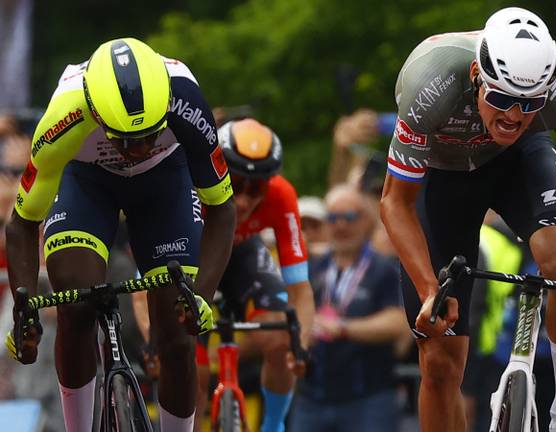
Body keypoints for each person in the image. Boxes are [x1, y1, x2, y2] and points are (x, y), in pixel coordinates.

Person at [378, 8, 556, 432]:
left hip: (518, 161)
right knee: (440, 360)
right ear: (478, 75)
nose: (514, 115)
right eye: (502, 99)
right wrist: (429, 290)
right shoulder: (431, 82)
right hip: (444, 176)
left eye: (530, 104)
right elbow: (393, 203)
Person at [4, 38, 235, 431]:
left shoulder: (185, 100)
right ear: (94, 111)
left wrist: (202, 295)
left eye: (149, 134)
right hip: (85, 180)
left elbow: (222, 208)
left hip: (165, 180)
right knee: (75, 306)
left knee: (178, 333)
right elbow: (22, 222)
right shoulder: (64, 115)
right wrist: (23, 309)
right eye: (125, 139)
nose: (139, 148)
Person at [192, 118, 314, 432]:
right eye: (235, 183)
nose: (244, 199)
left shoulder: (281, 195)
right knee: (190, 362)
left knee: (279, 339)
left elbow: (300, 288)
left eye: (256, 187)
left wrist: (301, 346)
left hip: (244, 256)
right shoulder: (193, 184)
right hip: (197, 256)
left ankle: (273, 425)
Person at [290, 183, 408, 432]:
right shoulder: (313, 268)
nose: (341, 225)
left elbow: (398, 323)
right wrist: (302, 334)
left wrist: (344, 328)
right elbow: (292, 313)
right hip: (313, 397)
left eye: (350, 217)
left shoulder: (384, 269)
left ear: (366, 221)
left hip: (368, 399)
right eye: (333, 218)